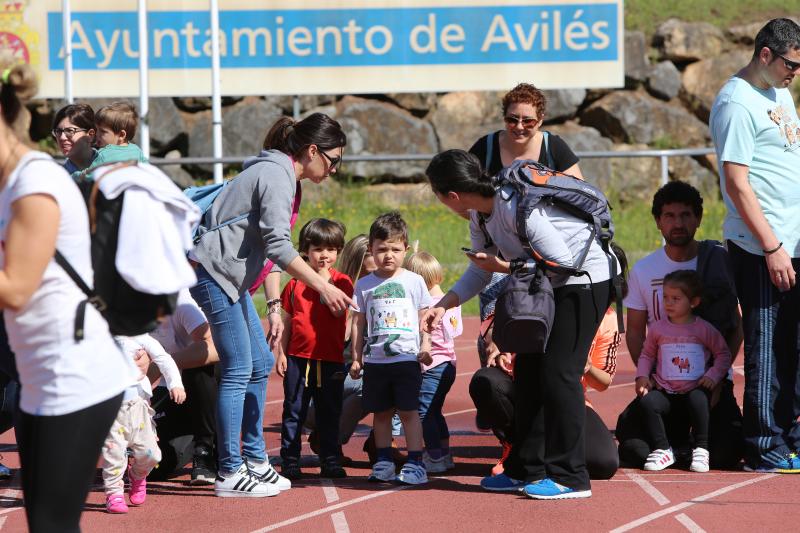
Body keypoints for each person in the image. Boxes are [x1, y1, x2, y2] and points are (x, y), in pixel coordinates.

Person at [424, 149, 616, 500]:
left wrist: (505, 267)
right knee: (528, 372)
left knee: (560, 373)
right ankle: (524, 468)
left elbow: (562, 261)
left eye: (439, 198)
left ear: (451, 195)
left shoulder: (514, 204)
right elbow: (481, 269)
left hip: (585, 279)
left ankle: (571, 477)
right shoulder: (479, 217)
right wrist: (444, 304)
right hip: (548, 284)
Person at [0, 57, 139, 531]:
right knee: (48, 523)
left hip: (77, 378)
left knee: (52, 524)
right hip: (38, 374)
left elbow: (16, 288)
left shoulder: (35, 181)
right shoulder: (11, 183)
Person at [189, 113, 352, 497]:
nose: (333, 168)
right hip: (214, 273)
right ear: (312, 150)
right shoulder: (277, 175)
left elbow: (262, 250)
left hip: (229, 277)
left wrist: (273, 304)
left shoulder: (281, 174)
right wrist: (322, 287)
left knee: (260, 362)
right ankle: (229, 470)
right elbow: (278, 246)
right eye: (332, 160)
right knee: (238, 367)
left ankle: (256, 460)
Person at [709, 18, 800, 473]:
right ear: (765, 55)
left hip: (794, 238)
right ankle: (764, 444)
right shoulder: (736, 101)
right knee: (767, 344)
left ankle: (790, 435)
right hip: (761, 244)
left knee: (794, 343)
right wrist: (771, 245)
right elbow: (737, 183)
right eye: (791, 64)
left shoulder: (778, 91)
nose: (795, 74)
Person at [470, 243, 627, 481]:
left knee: (604, 462)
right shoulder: (541, 294)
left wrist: (586, 366)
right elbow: (495, 323)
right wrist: (497, 343)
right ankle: (517, 449)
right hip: (519, 388)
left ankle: (546, 453)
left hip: (566, 397)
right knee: (485, 382)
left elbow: (604, 381)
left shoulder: (607, 319)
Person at [618, 181, 745, 470]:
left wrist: (718, 378)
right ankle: (679, 448)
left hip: (706, 384)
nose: (678, 223)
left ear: (698, 219)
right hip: (663, 383)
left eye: (686, 215)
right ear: (658, 222)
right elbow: (636, 331)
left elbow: (735, 327)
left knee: (727, 454)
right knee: (633, 447)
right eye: (670, 216)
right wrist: (648, 376)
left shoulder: (719, 263)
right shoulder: (643, 270)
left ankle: (686, 446)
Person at [349, 212, 434, 485]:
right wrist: (356, 358)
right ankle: (383, 461)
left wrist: (426, 345)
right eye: (381, 249)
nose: (388, 255)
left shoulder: (414, 281)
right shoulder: (364, 285)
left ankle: (415, 463)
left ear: (405, 250)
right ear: (371, 249)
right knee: (382, 414)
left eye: (395, 249)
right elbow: (357, 323)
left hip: (407, 359)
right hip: (375, 362)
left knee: (409, 412)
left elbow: (425, 318)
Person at [276, 218, 353, 480]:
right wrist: (281, 354)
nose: (324, 255)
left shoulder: (343, 283)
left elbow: (349, 319)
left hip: (331, 359)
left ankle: (330, 459)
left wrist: (349, 351)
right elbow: (286, 322)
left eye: (331, 250)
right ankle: (290, 460)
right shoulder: (294, 284)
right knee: (294, 410)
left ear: (338, 251)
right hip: (299, 359)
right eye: (318, 249)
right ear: (306, 250)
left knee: (330, 412)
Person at [635, 270, 733, 473]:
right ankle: (663, 449)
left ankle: (701, 449)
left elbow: (723, 354)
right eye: (665, 297)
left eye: (676, 298)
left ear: (694, 302)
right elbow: (647, 355)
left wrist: (712, 376)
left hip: (694, 388)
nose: (668, 303)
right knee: (648, 402)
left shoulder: (704, 329)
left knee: (699, 400)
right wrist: (643, 376)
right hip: (666, 390)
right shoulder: (658, 329)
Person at [102, 334, 185, 514]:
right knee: (114, 454)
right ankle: (114, 494)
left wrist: (175, 384)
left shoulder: (140, 337)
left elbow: (164, 359)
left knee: (151, 454)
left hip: (138, 409)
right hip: (110, 409)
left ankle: (138, 474)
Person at [148, 288, 220, 486]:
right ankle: (191, 436)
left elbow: (215, 348)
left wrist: (164, 365)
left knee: (198, 368)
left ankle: (205, 450)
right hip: (168, 390)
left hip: (201, 386)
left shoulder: (180, 302)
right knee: (154, 465)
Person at [403, 249, 462, 474]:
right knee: (436, 411)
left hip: (432, 366)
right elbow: (455, 331)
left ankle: (434, 455)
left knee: (424, 411)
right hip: (449, 364)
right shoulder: (450, 302)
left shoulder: (428, 307)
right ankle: (444, 453)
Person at [469, 82, 583, 178]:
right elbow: (461, 190)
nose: (519, 126)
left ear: (540, 121)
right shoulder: (486, 147)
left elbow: (581, 195)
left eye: (528, 121)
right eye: (512, 120)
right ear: (504, 118)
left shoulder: (553, 147)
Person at [52, 103, 97, 174]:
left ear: (90, 135)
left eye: (70, 131)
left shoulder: (110, 165)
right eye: (58, 131)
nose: (62, 137)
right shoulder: (59, 176)